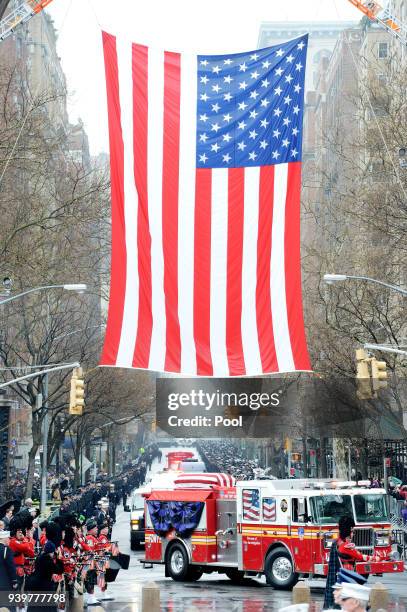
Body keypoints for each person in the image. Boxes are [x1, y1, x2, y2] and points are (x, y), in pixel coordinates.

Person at [26, 541, 64, 612]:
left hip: (36, 586)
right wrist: (59, 559)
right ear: (52, 551)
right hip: (45, 586)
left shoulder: (39, 557)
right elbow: (58, 570)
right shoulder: (48, 559)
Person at [0, 530, 18, 597]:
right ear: (4, 539)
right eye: (8, 538)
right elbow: (11, 567)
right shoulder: (6, 550)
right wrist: (14, 580)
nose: (9, 540)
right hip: (5, 582)